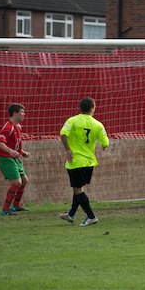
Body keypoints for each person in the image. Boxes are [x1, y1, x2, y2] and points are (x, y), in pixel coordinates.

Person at [58, 97, 109, 226]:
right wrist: (103, 146)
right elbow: (105, 143)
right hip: (89, 162)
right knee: (78, 188)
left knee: (78, 190)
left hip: (75, 161)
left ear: (80, 108)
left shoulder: (72, 120)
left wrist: (68, 150)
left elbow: (63, 134)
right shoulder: (98, 124)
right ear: (93, 108)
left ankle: (91, 216)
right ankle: (71, 214)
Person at [0, 103, 31, 216]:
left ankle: (16, 205)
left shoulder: (18, 126)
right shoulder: (8, 127)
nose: (24, 114)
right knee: (17, 182)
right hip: (6, 159)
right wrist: (11, 152)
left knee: (24, 180)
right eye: (22, 112)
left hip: (14, 158)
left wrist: (22, 152)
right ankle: (5, 209)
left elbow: (15, 144)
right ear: (15, 113)